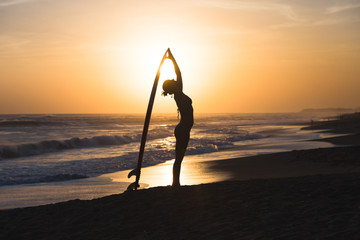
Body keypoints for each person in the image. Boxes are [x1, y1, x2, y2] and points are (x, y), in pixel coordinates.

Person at [162, 49, 194, 187]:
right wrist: (172, 58)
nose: (175, 79)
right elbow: (179, 73)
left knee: (179, 158)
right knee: (179, 158)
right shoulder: (179, 93)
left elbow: (177, 75)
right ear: (173, 86)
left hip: (182, 128)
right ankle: (175, 184)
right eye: (172, 80)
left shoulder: (178, 95)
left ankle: (176, 183)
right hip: (182, 129)